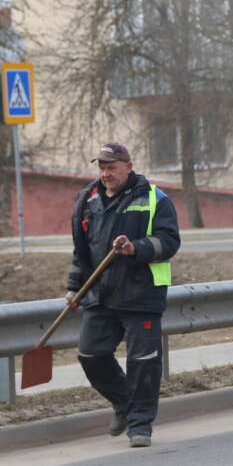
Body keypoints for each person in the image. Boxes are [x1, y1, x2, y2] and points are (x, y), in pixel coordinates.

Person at [66, 142, 181, 448]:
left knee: (143, 361)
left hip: (141, 293)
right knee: (91, 354)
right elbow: (81, 252)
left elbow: (169, 242)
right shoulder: (86, 200)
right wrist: (75, 288)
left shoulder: (155, 198)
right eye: (102, 168)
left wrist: (136, 248)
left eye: (111, 168)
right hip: (101, 295)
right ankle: (124, 404)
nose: (105, 174)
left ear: (128, 167)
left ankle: (140, 425)